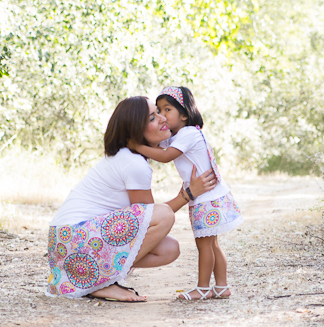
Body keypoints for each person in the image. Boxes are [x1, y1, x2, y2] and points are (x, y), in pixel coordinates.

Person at [46, 96, 217, 302]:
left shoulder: (129, 157)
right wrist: (188, 195)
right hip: (72, 237)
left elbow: (143, 219)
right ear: (135, 131)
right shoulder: (133, 163)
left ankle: (98, 279)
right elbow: (150, 215)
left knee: (169, 249)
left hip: (68, 241)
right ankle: (102, 283)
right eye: (153, 118)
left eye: (161, 113)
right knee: (163, 215)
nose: (163, 119)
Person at [130, 86, 243, 301]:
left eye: (167, 110)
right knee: (212, 244)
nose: (162, 116)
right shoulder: (179, 135)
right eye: (159, 111)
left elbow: (164, 156)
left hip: (206, 200)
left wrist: (137, 146)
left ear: (183, 114)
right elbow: (158, 143)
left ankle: (202, 288)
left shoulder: (189, 133)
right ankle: (221, 286)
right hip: (209, 197)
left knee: (204, 245)